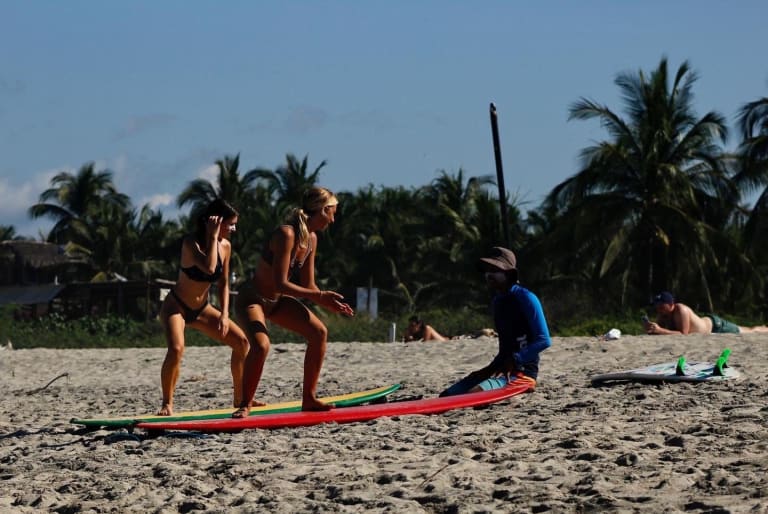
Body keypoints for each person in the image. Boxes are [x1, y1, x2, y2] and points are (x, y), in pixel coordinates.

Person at [233, 186, 354, 417]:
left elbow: (309, 286)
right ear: (323, 210)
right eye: (333, 213)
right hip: (253, 300)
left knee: (319, 332)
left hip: (278, 302)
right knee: (261, 346)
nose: (334, 219)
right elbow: (280, 283)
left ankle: (309, 398)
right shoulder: (286, 234)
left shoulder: (312, 240)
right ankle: (245, 404)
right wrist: (319, 296)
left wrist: (328, 301)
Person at [158, 199, 250, 416]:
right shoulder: (191, 243)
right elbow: (209, 268)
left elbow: (224, 282)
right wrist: (212, 236)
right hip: (176, 307)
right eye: (230, 224)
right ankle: (167, 403)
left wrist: (225, 314)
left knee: (242, 343)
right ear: (215, 222)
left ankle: (240, 397)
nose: (234, 229)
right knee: (176, 349)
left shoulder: (225, 246)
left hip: (202, 309)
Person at [440, 246, 551, 397]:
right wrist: (488, 370)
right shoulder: (498, 302)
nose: (489, 274)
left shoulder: (526, 298)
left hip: (523, 374)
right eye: (487, 270)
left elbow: (544, 340)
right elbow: (505, 348)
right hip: (504, 370)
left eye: (495, 270)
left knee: (474, 394)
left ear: (509, 273)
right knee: (447, 395)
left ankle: (524, 385)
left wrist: (516, 359)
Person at [644, 291, 768, 335]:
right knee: (746, 329)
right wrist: (652, 329)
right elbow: (663, 331)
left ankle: (764, 329)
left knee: (749, 331)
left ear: (671, 304)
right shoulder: (663, 314)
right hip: (708, 324)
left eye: (661, 305)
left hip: (716, 326)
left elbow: (683, 333)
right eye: (657, 305)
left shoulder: (681, 310)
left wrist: (660, 330)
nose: (658, 308)